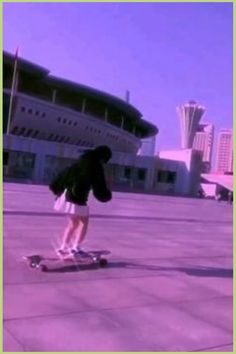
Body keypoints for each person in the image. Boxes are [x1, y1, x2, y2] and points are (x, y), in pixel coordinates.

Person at [49, 145, 112, 257]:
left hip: (66, 195)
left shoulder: (80, 161)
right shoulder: (95, 166)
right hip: (77, 197)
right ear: (103, 157)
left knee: (73, 223)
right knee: (84, 223)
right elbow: (99, 186)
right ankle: (75, 248)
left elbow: (64, 175)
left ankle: (63, 247)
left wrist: (57, 189)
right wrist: (106, 195)